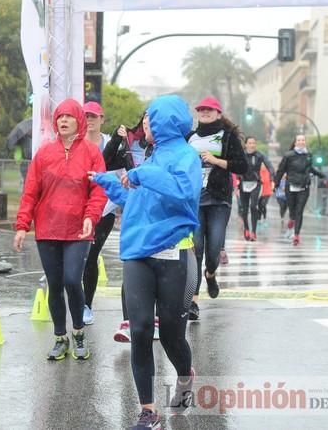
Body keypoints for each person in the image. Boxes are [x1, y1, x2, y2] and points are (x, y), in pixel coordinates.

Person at [92, 95, 201, 429]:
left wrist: (142, 176)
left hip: (175, 256)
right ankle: (148, 410)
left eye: (150, 120)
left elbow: (183, 193)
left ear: (166, 121)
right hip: (138, 255)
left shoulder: (187, 157)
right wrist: (110, 182)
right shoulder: (151, 158)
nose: (145, 126)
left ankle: (185, 376)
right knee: (139, 330)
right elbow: (139, 202)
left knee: (171, 336)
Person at [13, 98, 106, 361]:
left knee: (71, 280)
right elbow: (30, 192)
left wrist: (91, 216)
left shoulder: (91, 152)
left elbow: (98, 190)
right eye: (60, 117)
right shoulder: (44, 153)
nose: (63, 121)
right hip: (48, 228)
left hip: (79, 228)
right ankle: (60, 338)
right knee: (54, 284)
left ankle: (78, 333)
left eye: (69, 117)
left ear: (78, 120)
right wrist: (22, 226)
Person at [186, 96, 247, 320]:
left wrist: (215, 160)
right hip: (194, 200)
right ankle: (193, 300)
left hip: (219, 199)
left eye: (209, 109)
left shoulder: (227, 136)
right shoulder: (190, 137)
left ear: (219, 113)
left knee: (213, 251)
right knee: (197, 248)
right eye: (201, 109)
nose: (204, 112)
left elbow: (242, 166)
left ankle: (210, 274)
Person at [103, 113, 158, 342]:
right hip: (134, 213)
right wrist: (117, 138)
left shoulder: (170, 150)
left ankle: (155, 320)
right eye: (144, 119)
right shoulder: (131, 144)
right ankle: (128, 322)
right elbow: (105, 163)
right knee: (132, 266)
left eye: (152, 120)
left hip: (157, 216)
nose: (147, 123)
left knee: (155, 269)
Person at [81, 101, 113, 325]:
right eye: (86, 116)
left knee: (91, 256)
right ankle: (75, 300)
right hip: (78, 208)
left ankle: (86, 305)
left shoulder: (112, 143)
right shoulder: (74, 143)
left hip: (105, 209)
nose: (89, 120)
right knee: (77, 257)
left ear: (102, 119)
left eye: (94, 116)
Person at [275, 134, 325, 246]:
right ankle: (291, 219)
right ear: (295, 142)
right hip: (291, 186)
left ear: (305, 142)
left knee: (299, 211)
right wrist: (276, 183)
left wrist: (320, 174)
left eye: (303, 140)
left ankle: (296, 235)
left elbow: (310, 168)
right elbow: (281, 170)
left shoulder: (308, 155)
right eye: (299, 140)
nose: (301, 142)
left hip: (304, 186)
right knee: (293, 211)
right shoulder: (288, 155)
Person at [239, 136, 275, 241]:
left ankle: (254, 232)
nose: (252, 145)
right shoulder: (241, 155)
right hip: (243, 183)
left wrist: (272, 176)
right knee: (244, 209)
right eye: (249, 143)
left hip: (256, 183)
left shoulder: (259, 155)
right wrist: (237, 178)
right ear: (246, 144)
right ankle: (246, 228)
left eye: (254, 143)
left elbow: (269, 165)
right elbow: (234, 166)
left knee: (254, 206)